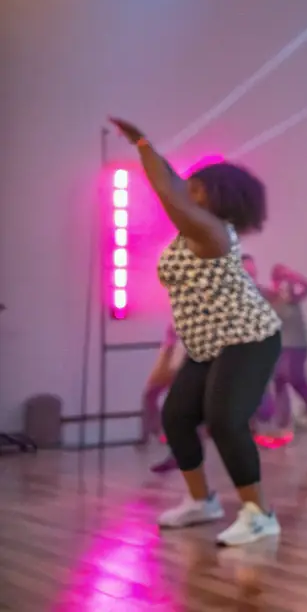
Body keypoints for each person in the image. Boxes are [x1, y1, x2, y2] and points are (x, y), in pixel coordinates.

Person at [110, 118, 283, 547]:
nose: (188, 190)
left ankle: (260, 515)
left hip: (247, 337)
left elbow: (167, 191)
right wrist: (144, 145)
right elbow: (172, 183)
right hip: (207, 343)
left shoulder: (211, 233)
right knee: (177, 416)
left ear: (216, 196)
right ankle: (202, 501)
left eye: (197, 187)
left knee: (225, 420)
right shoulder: (194, 230)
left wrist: (143, 143)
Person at [262, 263, 307, 438]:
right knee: (279, 383)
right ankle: (283, 424)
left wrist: (292, 275)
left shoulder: (293, 298)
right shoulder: (270, 298)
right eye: (277, 278)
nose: (280, 283)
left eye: (282, 278)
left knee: (298, 383)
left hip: (297, 348)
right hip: (280, 348)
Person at [143, 322, 184, 473]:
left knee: (182, 406)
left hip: (185, 348)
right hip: (174, 345)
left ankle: (177, 454)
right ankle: (160, 433)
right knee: (150, 394)